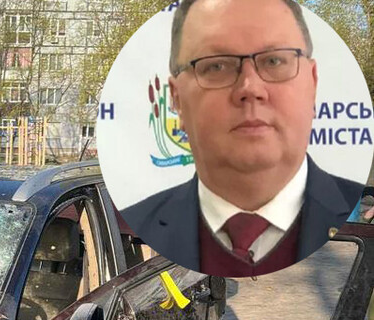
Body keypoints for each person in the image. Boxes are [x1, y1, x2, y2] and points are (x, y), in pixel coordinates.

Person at [120, 0, 364, 277]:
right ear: (177, 99)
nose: (250, 88)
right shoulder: (143, 222)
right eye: (217, 66)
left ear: (313, 84)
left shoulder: (355, 224)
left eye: (274, 60)